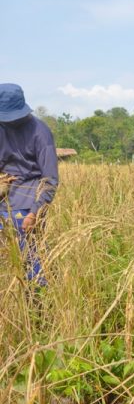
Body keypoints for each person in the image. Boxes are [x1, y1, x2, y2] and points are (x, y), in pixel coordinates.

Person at [0, 84, 58, 287]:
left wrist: (35, 213)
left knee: (34, 262)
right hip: (4, 200)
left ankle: (39, 303)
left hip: (29, 204)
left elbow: (50, 179)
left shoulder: (40, 132)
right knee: (9, 265)